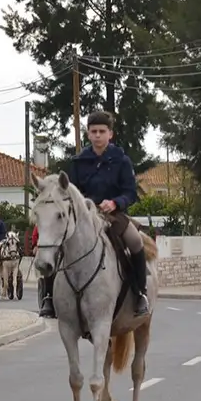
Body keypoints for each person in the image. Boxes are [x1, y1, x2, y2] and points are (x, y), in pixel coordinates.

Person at [37, 111, 149, 316]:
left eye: (102, 131)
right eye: (93, 131)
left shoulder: (121, 161)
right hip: (84, 217)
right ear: (88, 134)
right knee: (57, 245)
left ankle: (140, 293)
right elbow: (69, 191)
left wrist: (115, 202)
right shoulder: (79, 161)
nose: (98, 135)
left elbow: (130, 192)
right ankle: (48, 298)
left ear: (110, 134)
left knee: (135, 241)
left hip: (114, 215)